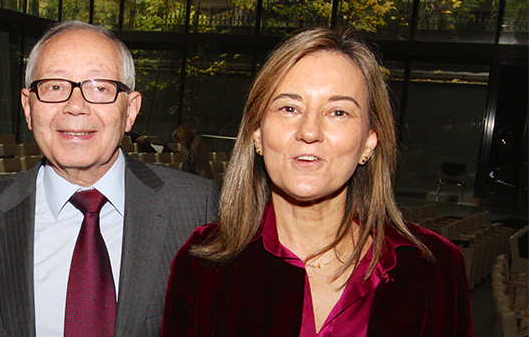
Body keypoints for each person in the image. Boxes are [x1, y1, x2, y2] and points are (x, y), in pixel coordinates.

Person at [162, 27, 472, 336]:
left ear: (369, 141)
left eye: (338, 112)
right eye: (289, 108)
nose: (309, 131)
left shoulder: (432, 268)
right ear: (257, 133)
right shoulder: (203, 265)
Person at [0, 20, 220, 337]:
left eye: (100, 88)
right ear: (28, 107)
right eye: (55, 87)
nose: (75, 107)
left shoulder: (196, 209)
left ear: (130, 110)